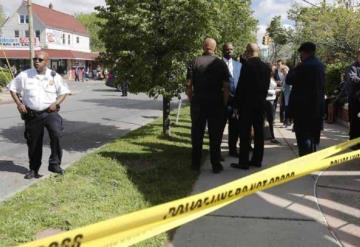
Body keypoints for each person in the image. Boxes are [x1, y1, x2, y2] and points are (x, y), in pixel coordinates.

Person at [7, 51, 71, 179]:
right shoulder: (25, 75)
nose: (36, 61)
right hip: (32, 115)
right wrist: (19, 104)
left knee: (56, 133)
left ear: (47, 62)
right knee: (34, 143)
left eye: (40, 59)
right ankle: (33, 169)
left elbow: (64, 92)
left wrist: (56, 102)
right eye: (35, 59)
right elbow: (12, 88)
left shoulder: (54, 76)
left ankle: (54, 164)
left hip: (50, 112)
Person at [186, 37, 230, 174]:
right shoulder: (221, 63)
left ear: (203, 47)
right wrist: (224, 102)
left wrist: (192, 98)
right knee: (215, 135)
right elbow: (226, 86)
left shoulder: (194, 61)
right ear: (214, 48)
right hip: (216, 102)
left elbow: (188, 85)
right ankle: (215, 164)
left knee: (197, 133)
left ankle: (195, 164)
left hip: (199, 101)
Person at [231, 43, 270, 169]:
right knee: (259, 134)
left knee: (245, 133)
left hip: (247, 105)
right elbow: (266, 86)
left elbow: (241, 87)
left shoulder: (247, 65)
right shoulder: (266, 67)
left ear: (248, 52)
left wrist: (236, 104)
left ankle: (243, 162)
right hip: (260, 103)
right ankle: (257, 160)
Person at [287, 42, 325, 156]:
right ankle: (311, 158)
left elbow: (289, 80)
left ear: (304, 53)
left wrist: (294, 68)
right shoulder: (320, 66)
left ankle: (304, 160)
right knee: (312, 136)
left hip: (303, 109)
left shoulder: (303, 66)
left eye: (301, 53)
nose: (300, 55)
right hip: (316, 108)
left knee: (303, 137)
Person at [221, 42, 242, 157]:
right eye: (227, 49)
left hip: (235, 103)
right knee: (220, 127)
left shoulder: (239, 65)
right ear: (223, 50)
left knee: (234, 128)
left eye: (231, 49)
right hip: (223, 101)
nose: (229, 51)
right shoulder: (218, 64)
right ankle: (217, 153)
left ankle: (232, 150)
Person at [344, 50, 360, 149]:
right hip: (355, 99)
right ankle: (353, 142)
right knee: (355, 121)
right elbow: (352, 78)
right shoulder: (353, 67)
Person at [265, 64, 280, 144]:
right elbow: (265, 90)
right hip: (267, 101)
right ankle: (272, 137)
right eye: (273, 69)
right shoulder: (266, 78)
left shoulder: (272, 77)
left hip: (272, 100)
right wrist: (275, 91)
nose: (275, 71)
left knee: (271, 120)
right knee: (270, 120)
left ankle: (271, 136)